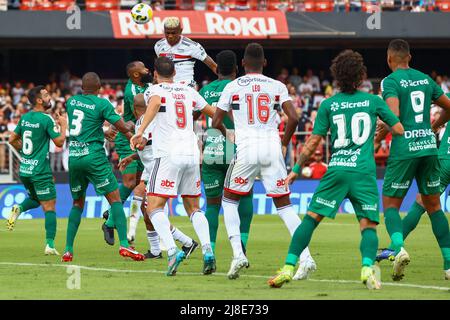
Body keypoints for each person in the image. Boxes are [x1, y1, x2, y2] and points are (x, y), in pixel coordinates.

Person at [268, 49, 404, 290]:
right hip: (363, 172)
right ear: (361, 75)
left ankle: (288, 267)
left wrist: (296, 169)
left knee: (310, 219)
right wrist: (379, 128)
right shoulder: (374, 101)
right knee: (368, 225)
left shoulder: (329, 104)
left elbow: (312, 143)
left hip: (337, 170)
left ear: (337, 76)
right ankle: (366, 269)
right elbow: (399, 129)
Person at [212, 43, 316, 280]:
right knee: (285, 206)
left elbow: (215, 121)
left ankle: (238, 254)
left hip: (247, 149)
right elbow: (294, 117)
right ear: (265, 63)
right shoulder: (276, 85)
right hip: (271, 148)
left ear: (243, 64)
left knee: (229, 201)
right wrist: (284, 142)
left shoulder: (232, 86)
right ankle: (306, 258)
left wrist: (231, 133)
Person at [130, 57, 223, 276]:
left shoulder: (154, 90)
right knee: (194, 208)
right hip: (191, 153)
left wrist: (140, 130)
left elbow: (153, 105)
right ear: (175, 73)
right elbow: (214, 113)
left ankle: (172, 251)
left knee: (153, 207)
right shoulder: (187, 90)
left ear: (155, 73)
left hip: (168, 154)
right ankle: (208, 251)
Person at [375, 39, 450, 281]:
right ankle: (449, 265)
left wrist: (381, 131)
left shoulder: (390, 81)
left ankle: (398, 249)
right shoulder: (426, 79)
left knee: (391, 206)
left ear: (389, 59)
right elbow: (449, 107)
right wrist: (433, 126)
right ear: (410, 57)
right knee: (434, 206)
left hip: (405, 149)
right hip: (429, 147)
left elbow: (394, 115)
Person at [61, 72, 145, 262]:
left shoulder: (71, 102)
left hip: (74, 157)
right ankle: (124, 244)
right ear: (99, 89)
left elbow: (85, 124)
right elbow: (123, 127)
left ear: (82, 87)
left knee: (77, 203)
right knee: (115, 199)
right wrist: (133, 134)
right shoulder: (102, 104)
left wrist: (103, 130)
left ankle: (68, 250)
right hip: (94, 157)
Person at [118, 93, 199, 259]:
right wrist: (131, 157)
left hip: (157, 168)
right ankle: (155, 249)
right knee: (144, 205)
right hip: (154, 167)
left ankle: (186, 242)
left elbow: (141, 145)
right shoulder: (157, 119)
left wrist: (129, 137)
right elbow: (150, 146)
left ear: (134, 109)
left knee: (151, 209)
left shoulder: (142, 122)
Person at [199, 50, 254, 255]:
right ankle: (242, 243)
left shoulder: (206, 90)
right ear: (236, 67)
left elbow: (195, 113)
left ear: (217, 69)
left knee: (212, 205)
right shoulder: (241, 87)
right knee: (245, 196)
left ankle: (209, 251)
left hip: (212, 150)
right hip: (237, 150)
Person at [7, 86, 68, 256]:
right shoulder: (46, 119)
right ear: (40, 100)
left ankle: (18, 208)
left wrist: (26, 154)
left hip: (25, 170)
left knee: (35, 198)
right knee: (49, 207)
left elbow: (12, 139)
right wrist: (64, 125)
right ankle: (50, 245)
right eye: (47, 95)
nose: (50, 98)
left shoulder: (25, 118)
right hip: (40, 170)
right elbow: (59, 142)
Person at [102, 61, 154, 248]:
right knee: (130, 182)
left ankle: (111, 220)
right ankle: (110, 219)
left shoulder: (148, 85)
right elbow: (139, 114)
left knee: (141, 185)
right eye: (144, 69)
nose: (147, 69)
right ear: (135, 75)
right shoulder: (132, 90)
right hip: (129, 137)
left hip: (142, 135)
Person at [154, 17, 217, 88]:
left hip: (186, 85)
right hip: (166, 85)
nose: (170, 36)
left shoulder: (192, 46)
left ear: (180, 31)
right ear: (164, 31)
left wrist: (225, 82)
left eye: (173, 33)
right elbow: (159, 67)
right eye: (167, 33)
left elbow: (213, 65)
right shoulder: (158, 45)